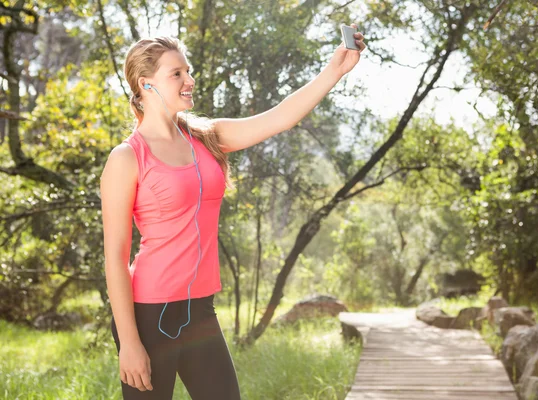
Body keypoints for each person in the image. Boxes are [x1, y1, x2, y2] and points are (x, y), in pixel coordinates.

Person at [100, 26, 366, 400]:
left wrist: (335, 70)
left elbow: (281, 118)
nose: (189, 80)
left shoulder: (207, 138)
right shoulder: (127, 157)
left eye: (188, 71)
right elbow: (115, 256)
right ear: (146, 84)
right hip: (149, 315)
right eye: (177, 73)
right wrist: (129, 342)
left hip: (200, 310)